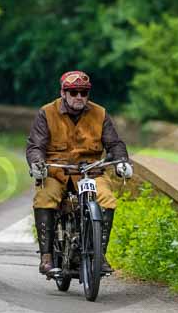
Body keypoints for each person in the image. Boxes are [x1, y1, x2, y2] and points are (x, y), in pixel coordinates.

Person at [26, 70, 133, 276]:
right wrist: (38, 164)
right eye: (73, 92)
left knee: (107, 199)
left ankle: (99, 255)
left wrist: (121, 163)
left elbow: (114, 143)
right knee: (45, 197)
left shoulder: (100, 114)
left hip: (91, 171)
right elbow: (35, 145)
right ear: (63, 92)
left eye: (83, 92)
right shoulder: (47, 113)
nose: (79, 97)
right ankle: (46, 258)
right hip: (56, 171)